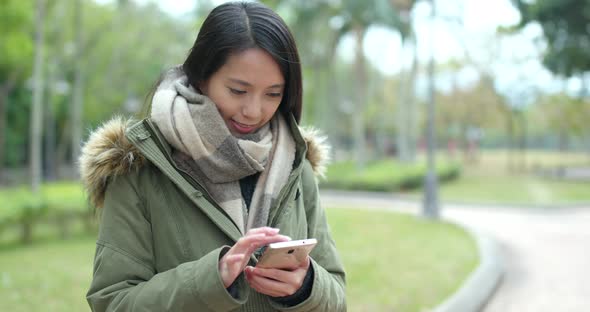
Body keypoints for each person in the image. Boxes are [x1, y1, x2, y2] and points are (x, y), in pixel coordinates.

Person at [79, 2, 346, 311]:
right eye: (237, 90)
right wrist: (210, 280)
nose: (254, 111)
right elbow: (112, 301)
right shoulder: (138, 165)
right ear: (202, 77)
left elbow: (337, 293)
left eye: (273, 94)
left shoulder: (296, 165)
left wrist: (308, 287)